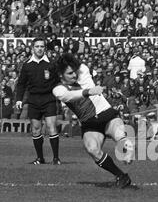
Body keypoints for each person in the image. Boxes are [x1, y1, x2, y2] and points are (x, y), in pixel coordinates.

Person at [52, 53, 134, 188]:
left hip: (107, 115)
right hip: (90, 124)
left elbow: (76, 62)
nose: (74, 75)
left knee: (119, 135)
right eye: (70, 73)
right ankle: (121, 176)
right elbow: (69, 96)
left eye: (74, 71)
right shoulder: (58, 89)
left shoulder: (82, 70)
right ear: (61, 75)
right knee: (92, 149)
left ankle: (128, 149)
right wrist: (88, 91)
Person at [15, 37, 61, 165]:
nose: (39, 49)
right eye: (37, 46)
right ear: (32, 48)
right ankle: (40, 158)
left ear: (45, 48)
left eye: (42, 46)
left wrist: (61, 96)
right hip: (34, 100)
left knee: (52, 127)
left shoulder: (51, 64)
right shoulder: (27, 65)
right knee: (36, 129)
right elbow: (21, 84)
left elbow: (58, 82)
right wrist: (19, 99)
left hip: (49, 99)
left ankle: (56, 158)